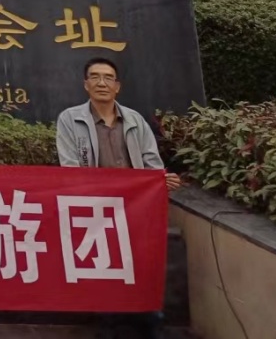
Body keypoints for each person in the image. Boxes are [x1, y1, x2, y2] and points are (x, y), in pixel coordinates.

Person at [57, 57, 181, 339]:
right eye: (95, 77)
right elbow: (70, 168)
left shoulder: (135, 120)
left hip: (137, 207)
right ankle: (109, 324)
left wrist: (160, 180)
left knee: (143, 263)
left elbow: (152, 164)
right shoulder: (70, 119)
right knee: (106, 266)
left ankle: (150, 320)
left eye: (108, 77)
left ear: (117, 86)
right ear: (86, 84)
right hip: (96, 208)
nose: (102, 83)